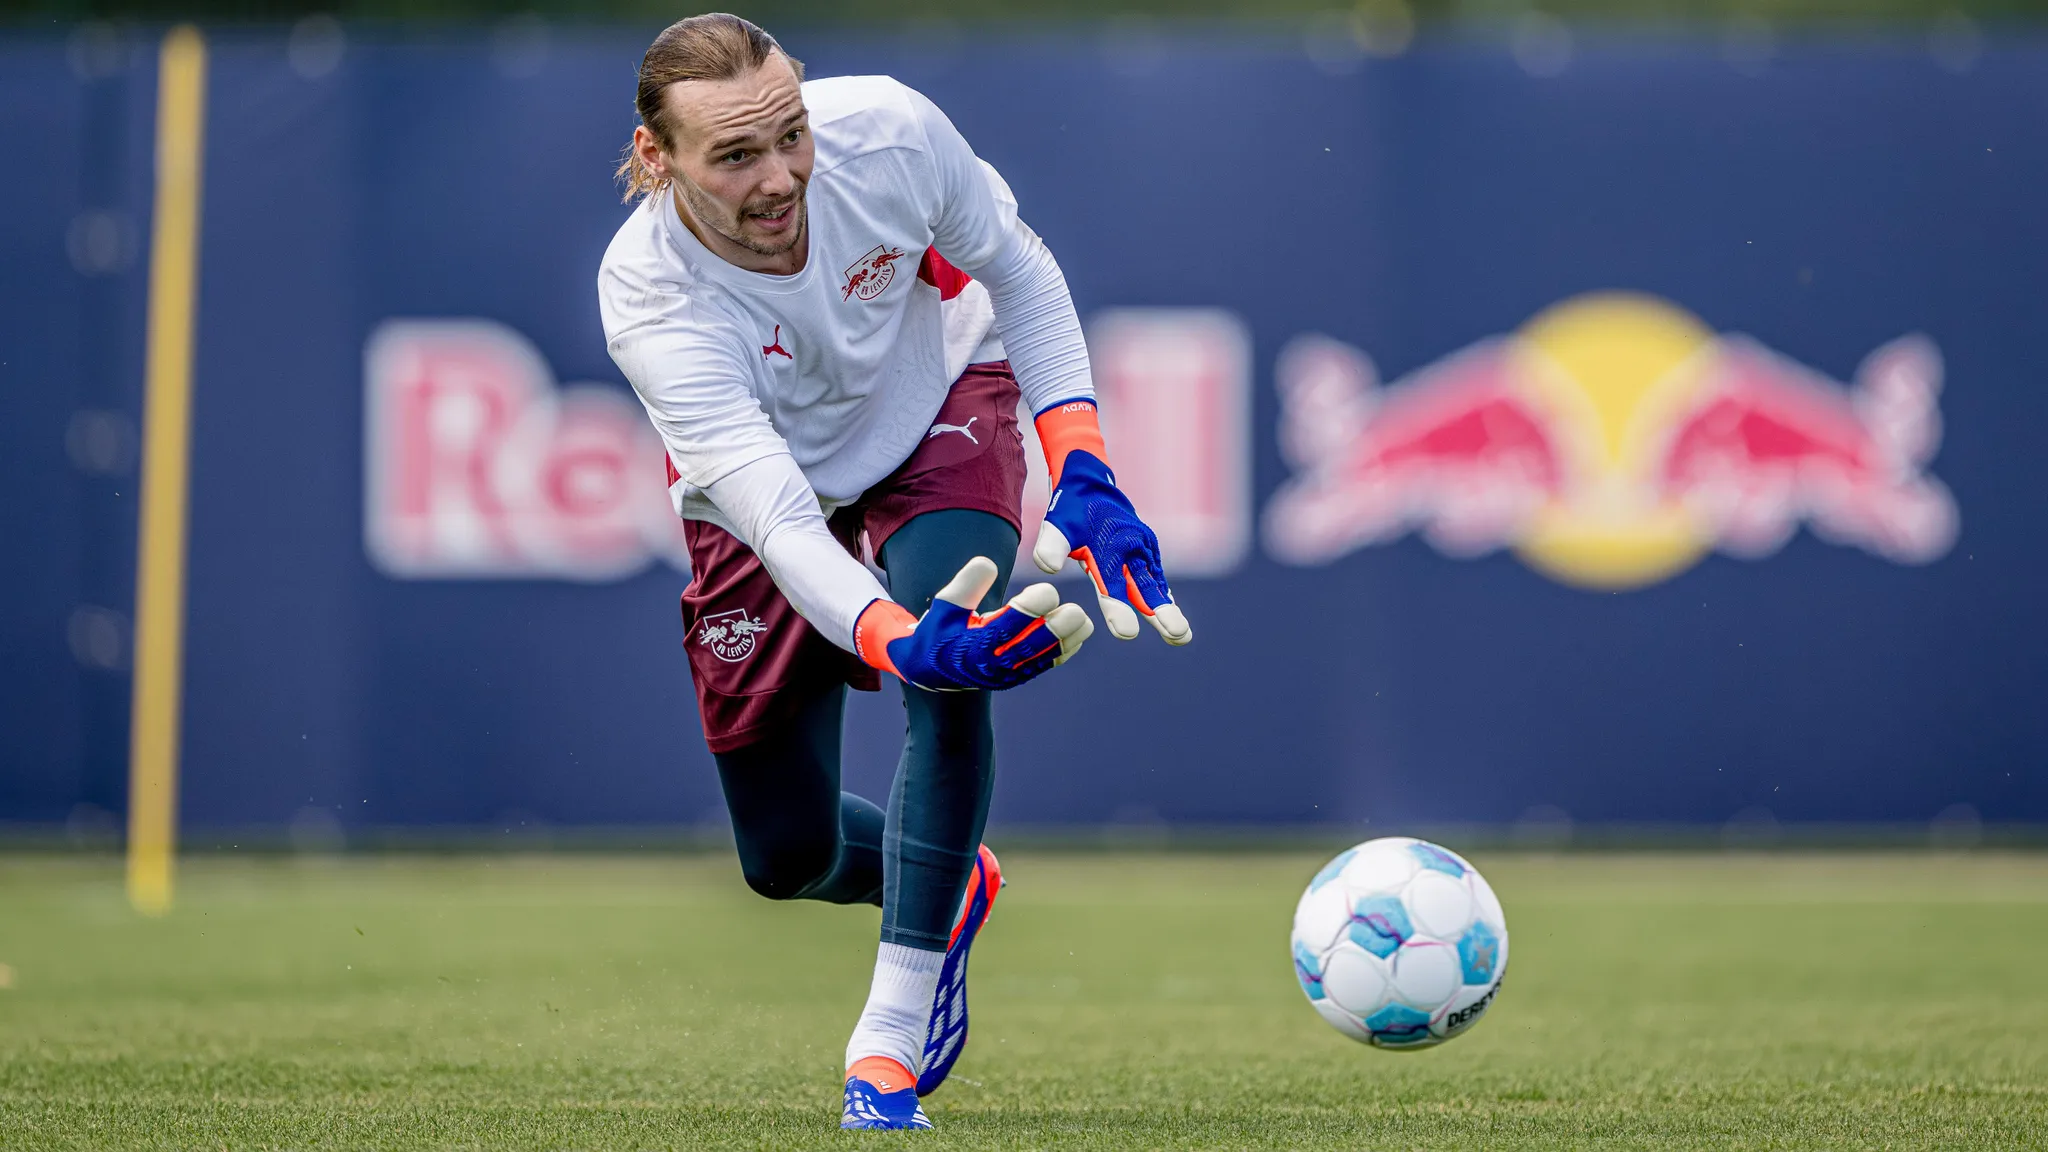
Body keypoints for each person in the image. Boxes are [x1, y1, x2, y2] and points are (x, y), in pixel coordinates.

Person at [598, 12, 1192, 1131]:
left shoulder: (890, 132)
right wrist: (889, 637)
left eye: (788, 134)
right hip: (768, 491)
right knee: (785, 858)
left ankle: (886, 1041)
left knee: (954, 646)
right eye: (733, 156)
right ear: (655, 160)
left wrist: (1085, 467)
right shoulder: (647, 294)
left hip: (939, 401)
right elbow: (776, 518)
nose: (779, 180)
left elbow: (1019, 271)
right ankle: (950, 876)